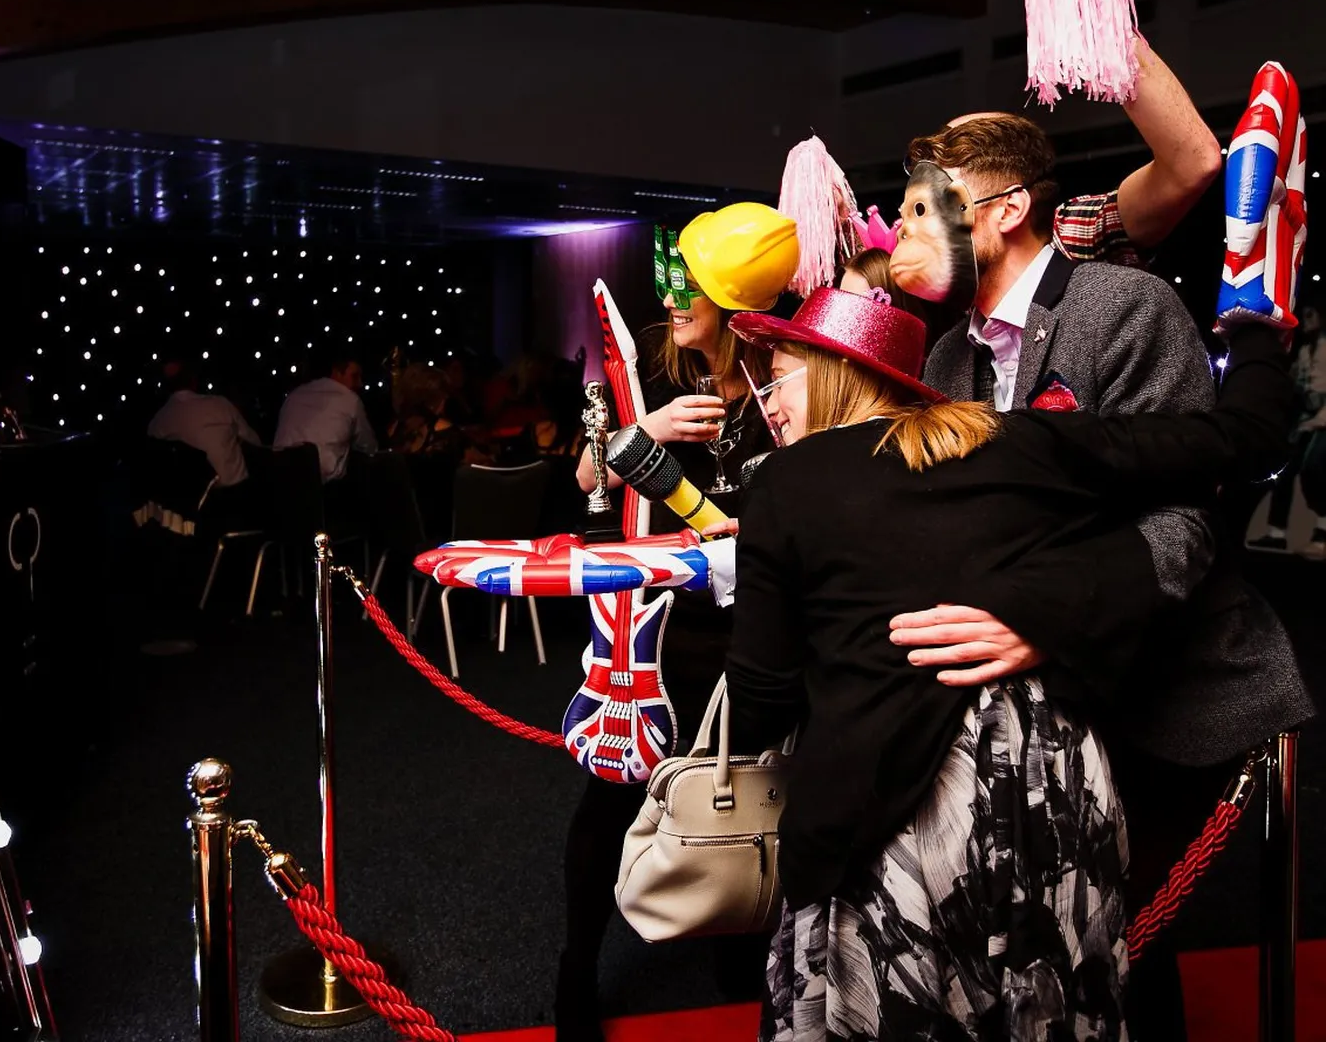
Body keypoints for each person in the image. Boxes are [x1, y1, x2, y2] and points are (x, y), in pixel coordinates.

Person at [722, 286, 1296, 1041]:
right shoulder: (1016, 439)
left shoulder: (787, 483)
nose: (769, 405)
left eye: (778, 379)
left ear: (835, 373)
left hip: (887, 819)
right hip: (1045, 794)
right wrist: (1254, 333)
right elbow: (1241, 439)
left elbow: (759, 701)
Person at [894, 113, 1313, 1039]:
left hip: (1164, 687)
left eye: (923, 210)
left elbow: (1186, 522)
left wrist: (1052, 621)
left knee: (1112, 937)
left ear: (1000, 214)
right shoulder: (946, 356)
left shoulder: (1121, 306)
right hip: (1032, 702)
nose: (902, 233)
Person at [559, 204, 792, 1041]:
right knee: (611, 802)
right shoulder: (648, 376)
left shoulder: (785, 377)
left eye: (688, 286)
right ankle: (575, 974)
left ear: (735, 301)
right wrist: (640, 434)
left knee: (749, 793)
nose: (670, 299)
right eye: (667, 282)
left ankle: (739, 950)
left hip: (758, 627)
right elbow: (585, 476)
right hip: (657, 634)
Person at [1248, 302, 1326, 558]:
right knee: (1284, 473)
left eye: (1311, 313)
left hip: (1323, 423)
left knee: (1313, 471)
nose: (1307, 318)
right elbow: (1295, 387)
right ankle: (1276, 534)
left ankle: (1322, 532)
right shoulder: (1305, 351)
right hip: (1305, 420)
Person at [147, 358, 260, 491]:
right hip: (232, 494)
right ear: (193, 380)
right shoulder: (219, 405)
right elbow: (254, 441)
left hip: (186, 499)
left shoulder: (157, 422)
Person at [273, 352, 378, 482]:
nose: (360, 384)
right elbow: (368, 446)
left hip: (277, 476)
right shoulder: (350, 399)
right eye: (355, 376)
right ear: (337, 372)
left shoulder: (295, 394)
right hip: (319, 486)